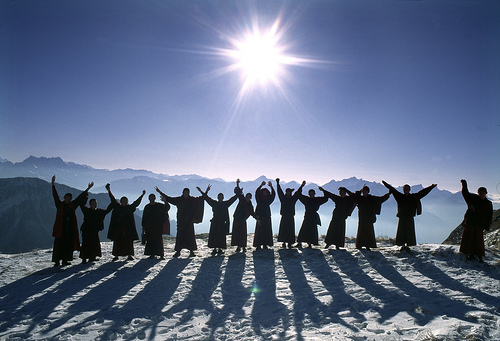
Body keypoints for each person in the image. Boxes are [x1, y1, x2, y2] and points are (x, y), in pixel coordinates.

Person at [382, 180, 437, 252]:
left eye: (407, 189)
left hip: (408, 217)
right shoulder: (402, 196)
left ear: (409, 190)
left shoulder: (411, 196)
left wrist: (431, 187)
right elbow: (393, 189)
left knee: (407, 231)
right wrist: (385, 184)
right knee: (404, 231)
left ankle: (407, 245)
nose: (406, 190)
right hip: (404, 217)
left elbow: (423, 192)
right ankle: (403, 245)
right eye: (405, 189)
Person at [51, 175, 92, 266]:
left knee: (68, 245)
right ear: (64, 198)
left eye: (70, 199)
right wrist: (53, 184)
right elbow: (55, 196)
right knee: (59, 245)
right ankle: (57, 261)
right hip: (61, 229)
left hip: (69, 229)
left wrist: (87, 189)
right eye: (67, 198)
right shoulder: (60, 205)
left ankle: (65, 260)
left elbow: (80, 198)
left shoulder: (73, 205)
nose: (68, 200)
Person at [155, 186, 204, 257]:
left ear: (189, 193)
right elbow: (169, 198)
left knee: (190, 236)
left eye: (187, 193)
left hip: (189, 221)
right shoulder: (179, 200)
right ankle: (178, 251)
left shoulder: (192, 200)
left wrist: (202, 191)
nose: (186, 194)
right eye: (184, 193)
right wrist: (160, 192)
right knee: (180, 236)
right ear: (182, 193)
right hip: (181, 221)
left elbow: (202, 198)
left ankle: (191, 251)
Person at [107, 184, 146, 261]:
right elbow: (112, 199)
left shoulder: (129, 208)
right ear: (121, 202)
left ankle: (129, 254)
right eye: (123, 201)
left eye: (126, 201)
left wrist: (142, 195)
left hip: (128, 228)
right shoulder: (118, 207)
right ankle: (116, 255)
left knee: (128, 242)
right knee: (118, 242)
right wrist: (109, 191)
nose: (124, 202)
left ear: (127, 202)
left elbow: (136, 203)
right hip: (119, 228)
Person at [197, 183, 238, 255]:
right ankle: (215, 249)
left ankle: (219, 249)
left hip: (220, 222)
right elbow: (206, 198)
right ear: (218, 197)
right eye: (220, 197)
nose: (220, 198)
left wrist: (238, 189)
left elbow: (233, 199)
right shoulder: (217, 203)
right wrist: (204, 191)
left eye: (221, 197)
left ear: (222, 198)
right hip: (216, 222)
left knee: (219, 236)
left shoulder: (220, 203)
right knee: (215, 235)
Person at [459, 179, 493, 262]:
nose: (481, 194)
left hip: (479, 224)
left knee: (478, 240)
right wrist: (464, 184)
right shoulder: (473, 198)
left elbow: (490, 215)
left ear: (486, 193)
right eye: (480, 193)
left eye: (483, 193)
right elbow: (465, 193)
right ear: (478, 193)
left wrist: (487, 225)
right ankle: (470, 254)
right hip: (470, 222)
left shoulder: (488, 204)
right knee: (469, 238)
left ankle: (479, 255)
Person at [353, 185, 390, 251]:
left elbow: (381, 199)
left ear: (368, 192)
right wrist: (360, 191)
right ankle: (360, 245)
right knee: (361, 230)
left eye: (365, 191)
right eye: (363, 191)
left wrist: (388, 194)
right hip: (362, 217)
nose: (364, 193)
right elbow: (354, 197)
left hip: (369, 218)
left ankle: (368, 245)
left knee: (368, 231)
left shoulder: (371, 198)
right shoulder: (360, 198)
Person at [79, 197, 112, 264]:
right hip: (86, 230)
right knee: (86, 244)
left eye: (95, 203)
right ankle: (84, 258)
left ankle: (92, 257)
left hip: (94, 231)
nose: (94, 204)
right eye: (93, 203)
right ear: (90, 204)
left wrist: (113, 204)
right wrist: (86, 194)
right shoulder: (86, 210)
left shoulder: (99, 211)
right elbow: (81, 204)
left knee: (94, 244)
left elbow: (107, 211)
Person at [276, 178, 305, 249]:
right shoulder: (284, 198)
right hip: (285, 216)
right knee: (286, 229)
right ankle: (285, 242)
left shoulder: (292, 199)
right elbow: (279, 192)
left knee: (288, 229)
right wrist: (277, 184)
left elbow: (297, 193)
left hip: (289, 216)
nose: (288, 193)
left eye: (289, 192)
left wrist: (301, 186)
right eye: (287, 192)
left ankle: (289, 243)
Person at [142, 193, 170, 260]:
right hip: (149, 227)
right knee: (150, 240)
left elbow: (167, 208)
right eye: (150, 198)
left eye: (152, 198)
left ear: (154, 198)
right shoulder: (147, 207)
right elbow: (144, 217)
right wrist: (143, 226)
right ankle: (152, 254)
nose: (151, 199)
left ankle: (161, 254)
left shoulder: (159, 205)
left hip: (157, 226)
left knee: (158, 240)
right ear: (149, 199)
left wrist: (165, 201)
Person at [231, 179, 255, 252]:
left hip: (243, 219)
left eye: (249, 197)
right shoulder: (242, 199)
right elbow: (238, 193)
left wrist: (257, 217)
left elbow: (252, 212)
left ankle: (243, 246)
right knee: (237, 232)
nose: (247, 197)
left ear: (250, 198)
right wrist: (237, 184)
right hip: (237, 218)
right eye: (247, 196)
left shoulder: (250, 205)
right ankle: (238, 246)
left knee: (243, 233)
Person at [253, 181, 276, 250]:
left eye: (266, 192)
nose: (264, 193)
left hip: (266, 216)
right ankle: (258, 244)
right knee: (259, 230)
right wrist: (261, 185)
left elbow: (273, 195)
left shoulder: (268, 200)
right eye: (263, 192)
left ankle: (265, 244)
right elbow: (256, 192)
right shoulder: (259, 199)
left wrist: (271, 187)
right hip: (260, 215)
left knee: (266, 230)